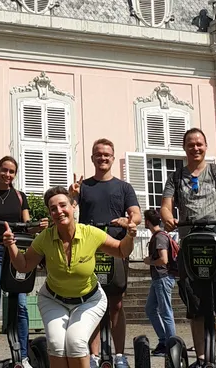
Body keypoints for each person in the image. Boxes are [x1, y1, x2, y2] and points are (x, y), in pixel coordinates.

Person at [3, 186, 137, 368]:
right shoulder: (45, 238)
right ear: (50, 213)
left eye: (63, 205)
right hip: (53, 299)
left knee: (75, 342)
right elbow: (24, 266)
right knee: (57, 345)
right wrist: (11, 245)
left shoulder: (90, 233)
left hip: (89, 300)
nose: (59, 211)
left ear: (73, 206)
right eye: (53, 208)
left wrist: (129, 236)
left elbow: (122, 250)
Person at [160, 128, 216, 368]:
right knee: (196, 306)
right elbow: (166, 206)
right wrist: (168, 217)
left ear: (206, 146)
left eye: (199, 144)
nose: (196, 148)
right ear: (184, 147)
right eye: (191, 144)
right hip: (191, 246)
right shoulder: (176, 177)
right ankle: (201, 359)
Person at [68, 138, 141, 368]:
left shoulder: (123, 187)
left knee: (116, 303)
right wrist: (72, 195)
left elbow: (136, 214)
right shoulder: (84, 186)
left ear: (112, 157)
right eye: (98, 154)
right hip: (89, 251)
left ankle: (119, 355)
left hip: (116, 249)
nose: (103, 158)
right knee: (92, 303)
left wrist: (129, 221)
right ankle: (94, 355)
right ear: (92, 158)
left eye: (107, 155)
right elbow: (69, 211)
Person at [0, 156, 48, 368]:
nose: (7, 175)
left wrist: (38, 225)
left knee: (21, 304)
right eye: (4, 170)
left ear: (15, 174)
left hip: (15, 252)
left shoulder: (19, 196)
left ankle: (23, 356)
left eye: (11, 171)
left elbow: (26, 226)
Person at [142, 209, 176, 357]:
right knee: (150, 309)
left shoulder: (159, 238)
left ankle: (171, 345)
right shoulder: (158, 236)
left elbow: (164, 259)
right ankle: (163, 340)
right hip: (159, 278)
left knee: (165, 312)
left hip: (163, 277)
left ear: (148, 222)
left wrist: (150, 261)